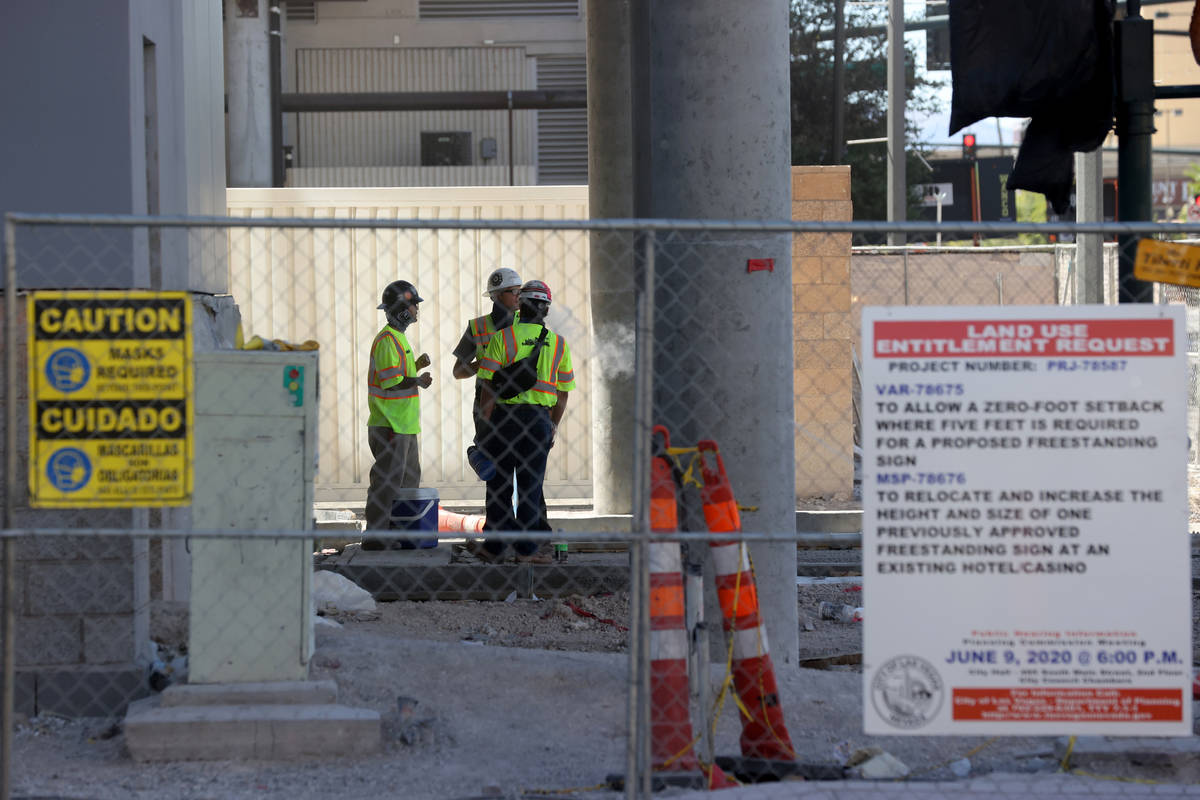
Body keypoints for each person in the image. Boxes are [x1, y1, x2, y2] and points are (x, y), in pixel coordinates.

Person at [474, 280, 575, 562]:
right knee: (530, 486)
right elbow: (563, 393)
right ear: (546, 309)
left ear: (521, 304)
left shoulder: (503, 338)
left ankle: (493, 548)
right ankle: (527, 551)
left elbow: (487, 388)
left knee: (498, 485)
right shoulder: (558, 344)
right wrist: (552, 424)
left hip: (503, 420)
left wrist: (485, 426)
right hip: (538, 421)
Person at [363, 279, 432, 548]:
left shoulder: (398, 338)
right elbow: (392, 381)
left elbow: (395, 373)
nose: (416, 309)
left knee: (407, 483)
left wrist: (415, 366)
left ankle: (399, 532)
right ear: (402, 309)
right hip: (389, 425)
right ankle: (377, 538)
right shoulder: (387, 340)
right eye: (414, 305)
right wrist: (417, 380)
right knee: (387, 484)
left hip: (403, 424)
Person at [451, 266, 522, 452]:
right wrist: (482, 365)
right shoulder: (478, 327)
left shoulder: (525, 324)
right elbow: (457, 372)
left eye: (521, 291)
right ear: (497, 295)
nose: (519, 296)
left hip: (518, 399)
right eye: (514, 291)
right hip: (486, 399)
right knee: (494, 462)